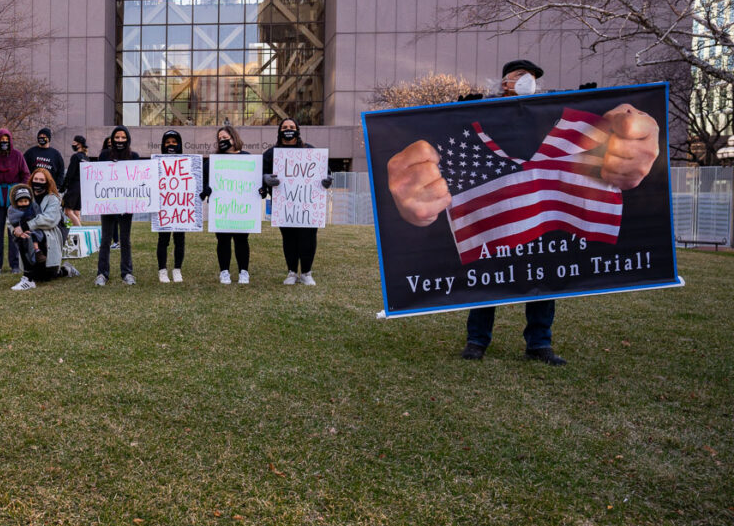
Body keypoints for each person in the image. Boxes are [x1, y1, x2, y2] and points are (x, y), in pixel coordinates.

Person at [385, 58, 660, 366]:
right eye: (520, 76)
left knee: (542, 277)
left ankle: (539, 343)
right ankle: (477, 340)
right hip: (496, 220)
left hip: (543, 218)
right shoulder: (481, 109)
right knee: (486, 278)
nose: (528, 81)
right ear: (505, 82)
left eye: (531, 77)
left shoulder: (548, 110)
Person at [260, 118, 328, 286]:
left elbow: (323, 171)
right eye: (284, 127)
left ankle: (306, 272)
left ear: (297, 130)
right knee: (288, 238)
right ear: (279, 131)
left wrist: (327, 180)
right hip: (284, 204)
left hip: (309, 204)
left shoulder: (309, 150)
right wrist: (264, 178)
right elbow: (259, 174)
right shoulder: (271, 153)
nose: (288, 129)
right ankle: (291, 272)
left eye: (291, 127)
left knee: (309, 238)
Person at [9, 167, 79, 290]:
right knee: (24, 236)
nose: (38, 182)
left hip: (49, 237)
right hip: (28, 235)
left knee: (47, 276)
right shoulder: (25, 196)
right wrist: (16, 230)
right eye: (36, 179)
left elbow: (49, 219)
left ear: (47, 182)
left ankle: (65, 270)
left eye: (42, 179)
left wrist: (25, 226)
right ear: (31, 180)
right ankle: (28, 278)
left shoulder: (53, 199)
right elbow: (13, 216)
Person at [202, 125, 253, 285]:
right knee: (223, 240)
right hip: (221, 208)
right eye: (220, 139)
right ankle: (224, 272)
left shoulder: (247, 158)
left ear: (234, 138)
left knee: (241, 240)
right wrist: (206, 190)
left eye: (225, 138)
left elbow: (255, 181)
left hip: (241, 208)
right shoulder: (213, 162)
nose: (222, 141)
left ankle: (243, 272)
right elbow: (203, 183)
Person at [95, 125, 140, 286]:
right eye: (117, 137)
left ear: (127, 139)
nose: (120, 140)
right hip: (107, 203)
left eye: (123, 137)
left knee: (125, 239)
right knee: (106, 239)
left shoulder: (134, 156)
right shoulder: (104, 155)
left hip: (127, 205)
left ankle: (127, 273)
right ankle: (102, 273)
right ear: (112, 139)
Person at [0, 127, 30, 274]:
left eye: (6, 141)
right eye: (2, 141)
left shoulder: (18, 156)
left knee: (15, 232)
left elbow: (25, 175)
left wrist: (19, 193)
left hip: (14, 201)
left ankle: (15, 264)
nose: (4, 143)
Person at [155, 129, 187, 283]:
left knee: (180, 239)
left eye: (174, 142)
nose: (171, 145)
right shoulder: (156, 163)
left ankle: (177, 270)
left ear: (179, 144)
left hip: (181, 207)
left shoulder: (187, 163)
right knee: (163, 240)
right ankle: (162, 270)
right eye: (167, 142)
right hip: (164, 207)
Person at [61, 135, 88, 226]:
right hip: (82, 187)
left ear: (79, 144)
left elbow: (70, 173)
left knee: (68, 211)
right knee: (76, 212)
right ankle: (70, 231)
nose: (72, 144)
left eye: (74, 142)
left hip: (74, 187)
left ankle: (79, 230)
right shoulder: (86, 159)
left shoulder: (75, 157)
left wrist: (63, 186)